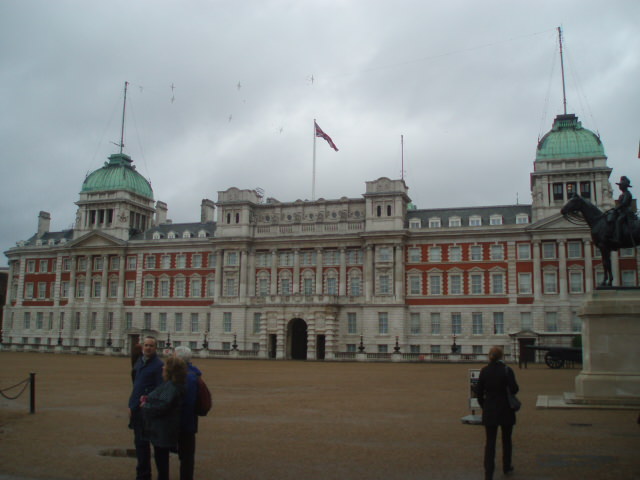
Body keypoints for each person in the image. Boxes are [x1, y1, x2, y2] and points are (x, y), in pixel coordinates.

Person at [476, 346, 519, 480]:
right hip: (506, 409)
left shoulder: (484, 371)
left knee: (490, 442)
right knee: (506, 440)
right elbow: (514, 389)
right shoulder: (507, 370)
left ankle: (488, 473)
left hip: (490, 409)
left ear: (489, 356)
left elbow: (478, 393)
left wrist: (485, 405)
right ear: (501, 357)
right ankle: (506, 466)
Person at [142, 355, 187, 480]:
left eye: (165, 366)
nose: (162, 367)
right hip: (163, 429)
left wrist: (146, 405)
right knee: (161, 460)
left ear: (170, 370)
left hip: (163, 430)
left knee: (161, 462)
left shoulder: (172, 386)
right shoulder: (171, 384)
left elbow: (163, 405)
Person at [128, 336, 164, 480]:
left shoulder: (158, 365)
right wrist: (131, 405)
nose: (148, 348)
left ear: (155, 348)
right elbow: (136, 387)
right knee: (140, 445)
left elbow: (159, 389)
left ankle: (161, 475)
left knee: (156, 445)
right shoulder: (139, 362)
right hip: (137, 409)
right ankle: (143, 475)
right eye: (146, 345)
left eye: (151, 346)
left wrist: (149, 403)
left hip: (148, 410)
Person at [174, 346, 202, 480]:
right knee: (186, 455)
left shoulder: (187, 377)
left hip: (182, 422)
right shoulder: (192, 374)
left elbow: (188, 402)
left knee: (184, 455)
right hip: (188, 423)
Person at [612, 176, 633, 245]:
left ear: (624, 186)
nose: (619, 187)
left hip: (626, 211)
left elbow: (624, 203)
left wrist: (617, 208)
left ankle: (618, 238)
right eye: (619, 185)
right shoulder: (622, 194)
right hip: (621, 211)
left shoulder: (627, 193)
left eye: (621, 185)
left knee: (618, 221)